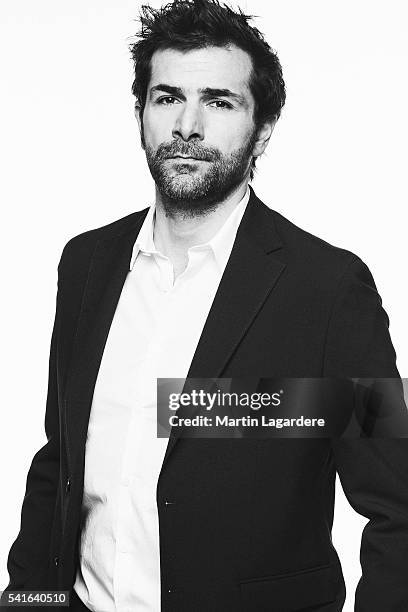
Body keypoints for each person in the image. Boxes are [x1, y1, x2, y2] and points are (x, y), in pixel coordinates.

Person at [2, 0, 407, 610]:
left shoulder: (326, 289)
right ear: (141, 113)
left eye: (219, 102)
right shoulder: (87, 265)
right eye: (167, 98)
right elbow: (60, 463)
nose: (187, 124)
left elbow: (398, 506)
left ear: (262, 130)